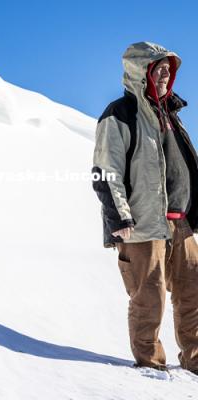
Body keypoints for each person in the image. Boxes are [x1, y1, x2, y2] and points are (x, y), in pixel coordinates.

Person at [91, 41, 198, 373]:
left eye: (169, 68)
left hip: (179, 223)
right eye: (159, 68)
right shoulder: (120, 114)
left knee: (193, 293)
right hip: (140, 224)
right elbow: (105, 169)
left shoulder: (169, 115)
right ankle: (150, 365)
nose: (166, 74)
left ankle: (195, 361)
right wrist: (119, 215)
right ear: (142, 71)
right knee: (148, 299)